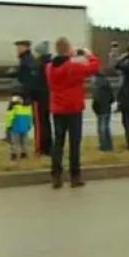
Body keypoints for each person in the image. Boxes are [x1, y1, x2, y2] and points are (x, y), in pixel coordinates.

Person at [46, 38, 100, 189]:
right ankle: (75, 176)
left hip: (57, 107)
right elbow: (94, 67)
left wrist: (69, 55)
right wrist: (89, 55)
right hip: (73, 108)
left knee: (58, 142)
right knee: (74, 143)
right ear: (69, 48)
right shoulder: (73, 67)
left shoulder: (49, 67)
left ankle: (56, 176)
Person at [31, 40, 53, 156]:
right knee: (46, 122)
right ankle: (48, 146)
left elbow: (35, 82)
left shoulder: (39, 65)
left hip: (39, 98)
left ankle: (41, 148)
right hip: (48, 97)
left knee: (39, 124)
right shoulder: (50, 63)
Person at [91, 69, 115, 151]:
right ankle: (108, 146)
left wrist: (95, 106)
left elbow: (96, 97)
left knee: (102, 128)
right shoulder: (105, 80)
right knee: (106, 128)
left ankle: (104, 146)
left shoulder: (95, 82)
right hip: (106, 106)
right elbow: (111, 95)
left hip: (100, 107)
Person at [4, 94, 32, 160]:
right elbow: (30, 117)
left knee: (14, 142)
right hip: (24, 128)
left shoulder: (13, 108)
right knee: (24, 141)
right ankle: (24, 153)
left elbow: (9, 117)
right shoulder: (28, 107)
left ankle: (14, 154)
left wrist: (8, 126)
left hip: (15, 128)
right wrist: (29, 125)